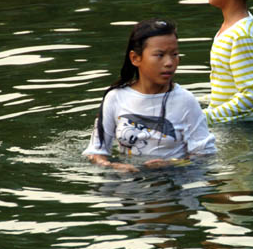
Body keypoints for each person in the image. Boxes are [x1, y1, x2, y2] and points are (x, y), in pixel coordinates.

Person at [84, 18, 215, 171]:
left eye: (174, 54)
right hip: (129, 185)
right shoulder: (115, 97)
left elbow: (205, 155)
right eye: (160, 55)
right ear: (135, 58)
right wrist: (113, 166)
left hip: (175, 183)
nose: (169, 62)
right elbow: (95, 152)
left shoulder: (186, 101)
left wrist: (171, 164)